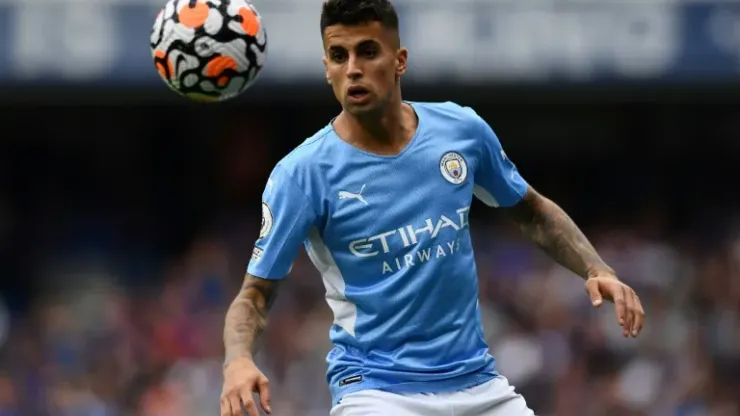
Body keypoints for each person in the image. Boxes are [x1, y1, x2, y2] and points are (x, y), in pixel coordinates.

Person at [220, 0, 646, 415]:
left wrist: (596, 269)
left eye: (368, 51)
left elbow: (532, 212)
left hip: (479, 384)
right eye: (338, 55)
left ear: (399, 61)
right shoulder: (302, 174)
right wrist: (237, 360)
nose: (353, 68)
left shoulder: (461, 132)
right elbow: (254, 296)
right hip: (377, 392)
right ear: (327, 67)